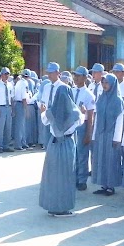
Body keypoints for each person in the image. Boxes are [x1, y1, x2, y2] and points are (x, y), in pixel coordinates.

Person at [39, 62, 83, 216]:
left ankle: (52, 206)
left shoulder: (51, 112)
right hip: (67, 145)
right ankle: (63, 208)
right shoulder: (75, 114)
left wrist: (44, 111)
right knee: (66, 177)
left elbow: (44, 120)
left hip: (53, 145)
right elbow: (80, 120)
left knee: (53, 177)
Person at [91, 73, 124, 196]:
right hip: (101, 133)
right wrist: (94, 135)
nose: (104, 85)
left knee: (111, 159)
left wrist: (117, 138)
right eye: (103, 83)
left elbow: (120, 120)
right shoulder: (101, 98)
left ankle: (111, 186)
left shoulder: (118, 100)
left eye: (107, 83)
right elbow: (97, 117)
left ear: (113, 84)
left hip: (111, 134)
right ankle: (103, 184)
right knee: (101, 158)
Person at [72, 66, 95, 191]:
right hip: (72, 125)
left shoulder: (88, 94)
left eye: (78, 75)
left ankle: (82, 179)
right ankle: (74, 177)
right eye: (75, 75)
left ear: (85, 78)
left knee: (82, 154)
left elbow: (90, 116)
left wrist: (88, 133)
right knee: (73, 153)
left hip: (82, 125)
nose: (75, 78)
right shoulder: (72, 90)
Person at [0, 67, 15, 153]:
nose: (6, 75)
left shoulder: (10, 85)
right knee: (0, 128)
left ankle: (6, 145)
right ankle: (0, 146)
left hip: (8, 107)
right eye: (5, 74)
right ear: (1, 75)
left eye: (8, 74)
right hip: (1, 107)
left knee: (8, 128)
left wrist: (13, 109)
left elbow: (12, 98)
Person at [12, 69, 30, 150]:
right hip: (21, 104)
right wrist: (26, 109)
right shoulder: (24, 83)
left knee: (21, 125)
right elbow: (24, 98)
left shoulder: (18, 82)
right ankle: (18, 144)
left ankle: (23, 142)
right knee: (20, 126)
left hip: (17, 103)